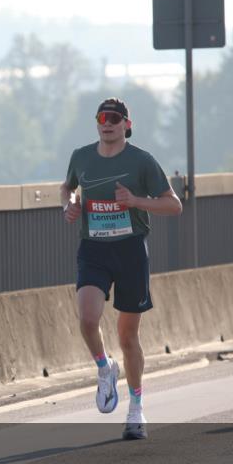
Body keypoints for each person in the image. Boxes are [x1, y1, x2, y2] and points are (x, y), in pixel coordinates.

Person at [61, 98, 182, 440]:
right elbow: (68, 188)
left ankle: (136, 409)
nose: (107, 123)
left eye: (114, 118)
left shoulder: (142, 161)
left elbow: (174, 205)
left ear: (127, 125)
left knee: (128, 337)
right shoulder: (81, 157)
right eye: (102, 117)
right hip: (93, 249)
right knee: (88, 319)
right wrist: (69, 205)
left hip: (130, 251)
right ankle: (104, 368)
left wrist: (136, 201)